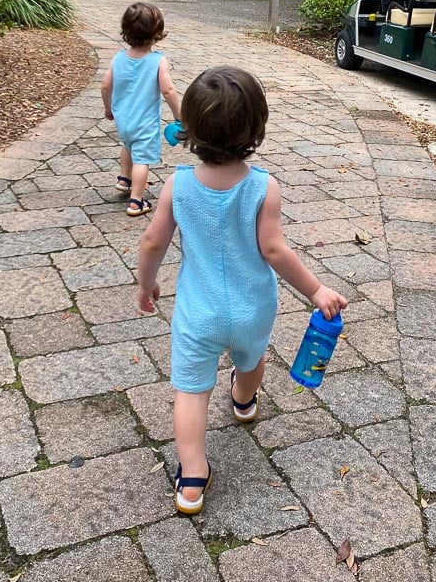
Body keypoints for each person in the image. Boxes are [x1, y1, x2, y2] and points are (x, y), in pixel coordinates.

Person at [136, 65, 347, 514]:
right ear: (257, 128)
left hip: (198, 314)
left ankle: (192, 477)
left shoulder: (177, 185)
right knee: (252, 360)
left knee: (191, 391)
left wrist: (147, 282)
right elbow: (274, 249)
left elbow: (153, 240)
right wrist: (316, 291)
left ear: (189, 128)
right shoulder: (263, 186)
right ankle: (244, 399)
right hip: (253, 309)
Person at [101, 2, 181, 216]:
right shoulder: (157, 61)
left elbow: (105, 85)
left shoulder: (118, 58)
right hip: (144, 123)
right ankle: (136, 201)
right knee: (142, 159)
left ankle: (124, 179)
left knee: (127, 145)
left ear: (126, 31)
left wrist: (108, 109)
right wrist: (179, 116)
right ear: (157, 33)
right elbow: (168, 91)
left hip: (123, 120)